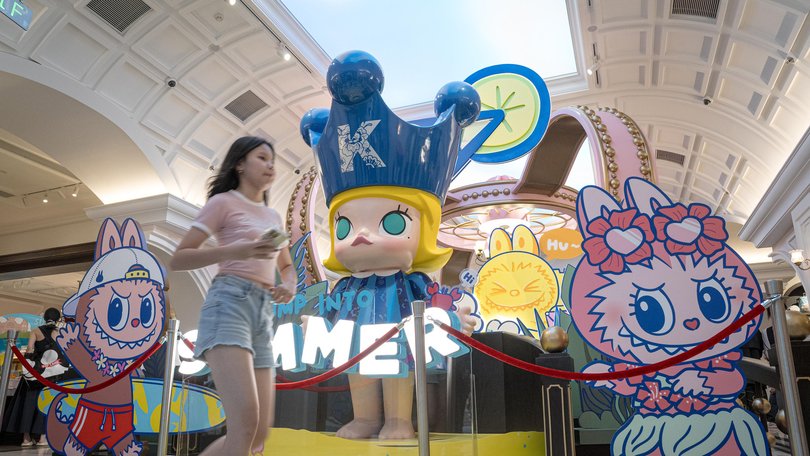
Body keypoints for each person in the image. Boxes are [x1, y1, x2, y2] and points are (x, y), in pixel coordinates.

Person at [170, 136, 296, 456]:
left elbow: (287, 266)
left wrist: (289, 285)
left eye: (272, 159)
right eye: (262, 157)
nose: (270, 165)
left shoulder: (272, 217)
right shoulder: (223, 203)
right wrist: (236, 251)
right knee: (245, 422)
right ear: (240, 164)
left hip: (263, 312)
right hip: (230, 303)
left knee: (259, 432)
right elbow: (179, 258)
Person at [3, 308, 64, 447]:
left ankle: (26, 439)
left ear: (45, 318)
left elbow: (30, 350)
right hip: (52, 374)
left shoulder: (36, 331)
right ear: (58, 319)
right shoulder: (60, 333)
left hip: (34, 373)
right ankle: (43, 438)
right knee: (47, 403)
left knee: (28, 403)